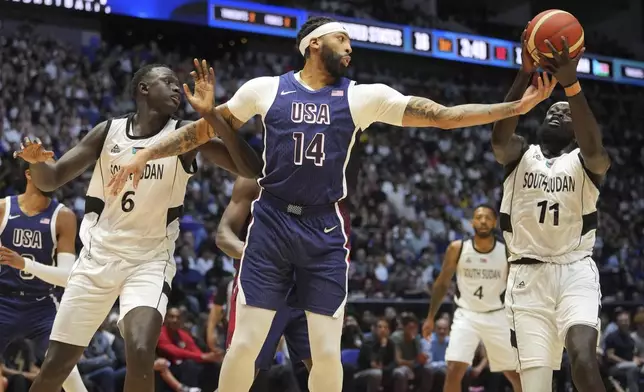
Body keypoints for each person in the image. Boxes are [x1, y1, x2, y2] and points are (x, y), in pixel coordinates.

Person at [108, 17, 555, 392]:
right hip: (271, 224)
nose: (350, 50)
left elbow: (443, 115)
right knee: (245, 343)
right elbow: (197, 134)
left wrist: (517, 104)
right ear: (314, 44)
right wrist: (143, 155)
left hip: (323, 231)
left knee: (325, 352)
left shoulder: (361, 96)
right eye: (344, 40)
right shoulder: (264, 89)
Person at [13, 62, 261, 392]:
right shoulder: (107, 131)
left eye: (178, 84)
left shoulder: (185, 134)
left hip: (149, 261)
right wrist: (36, 162)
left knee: (142, 349)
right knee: (56, 366)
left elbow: (252, 169)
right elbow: (52, 178)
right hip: (97, 258)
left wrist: (212, 115)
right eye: (168, 82)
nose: (177, 88)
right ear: (143, 89)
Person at [491, 26, 611, 392]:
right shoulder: (519, 155)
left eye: (566, 112)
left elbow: (594, 149)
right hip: (527, 277)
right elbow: (498, 138)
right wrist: (524, 73)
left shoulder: (586, 162)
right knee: (537, 384)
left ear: (577, 132)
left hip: (574, 271)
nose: (557, 111)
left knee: (584, 361)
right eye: (551, 109)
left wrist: (571, 86)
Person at [211, 176, 312, 389]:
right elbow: (223, 235)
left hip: (306, 284)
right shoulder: (253, 177)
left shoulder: (317, 175)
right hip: (263, 283)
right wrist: (253, 255)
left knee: (324, 366)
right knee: (242, 373)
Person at [0, 161, 87, 392]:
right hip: (3, 300)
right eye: (46, 170)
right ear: (29, 174)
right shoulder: (3, 209)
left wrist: (24, 263)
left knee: (67, 372)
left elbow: (67, 277)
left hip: (41, 305)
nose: (53, 174)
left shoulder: (64, 216)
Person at [422, 205, 522, 392]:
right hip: (466, 315)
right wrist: (430, 317)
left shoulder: (507, 250)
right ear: (472, 222)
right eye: (478, 217)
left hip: (497, 315)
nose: (483, 221)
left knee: (516, 373)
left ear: (494, 222)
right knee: (453, 370)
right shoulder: (457, 248)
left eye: (487, 218)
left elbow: (516, 288)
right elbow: (442, 283)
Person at [605, 311, 642, 392]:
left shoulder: (630, 338)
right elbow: (610, 356)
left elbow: (632, 354)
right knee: (633, 367)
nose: (625, 323)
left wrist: (638, 359)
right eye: (622, 321)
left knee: (635, 369)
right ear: (617, 323)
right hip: (614, 367)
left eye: (626, 321)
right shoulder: (612, 337)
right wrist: (628, 362)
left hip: (629, 365)